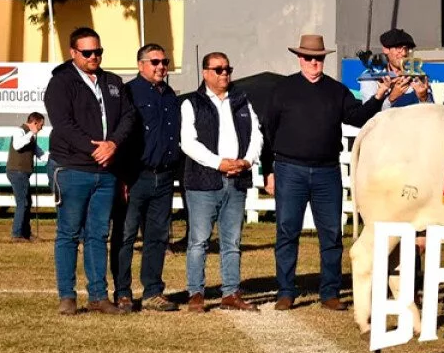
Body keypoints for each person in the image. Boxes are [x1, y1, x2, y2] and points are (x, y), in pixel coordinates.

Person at [263, 34, 393, 312]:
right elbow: (268, 130)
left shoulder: (337, 91)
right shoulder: (282, 89)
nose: (314, 63)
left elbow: (357, 117)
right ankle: (285, 291)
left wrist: (379, 95)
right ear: (300, 58)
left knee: (332, 233)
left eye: (319, 58)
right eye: (309, 58)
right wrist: (268, 170)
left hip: (327, 172)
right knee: (287, 231)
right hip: (289, 169)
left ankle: (330, 292)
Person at [44, 27, 135, 316]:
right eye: (87, 52)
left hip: (106, 171)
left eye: (98, 51)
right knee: (69, 233)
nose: (93, 56)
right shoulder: (61, 83)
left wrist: (113, 144)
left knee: (98, 234)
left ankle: (98, 295)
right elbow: (63, 124)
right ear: (73, 52)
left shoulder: (112, 82)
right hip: (72, 168)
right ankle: (67, 296)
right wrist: (94, 148)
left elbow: (128, 116)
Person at [180, 52, 263, 313]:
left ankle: (231, 292)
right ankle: (196, 293)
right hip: (203, 182)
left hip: (237, 180)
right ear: (205, 72)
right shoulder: (191, 103)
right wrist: (219, 163)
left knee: (232, 242)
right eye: (218, 69)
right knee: (198, 241)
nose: (224, 73)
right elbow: (188, 142)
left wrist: (247, 161)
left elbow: (256, 134)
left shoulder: (242, 101)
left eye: (227, 69)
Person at [109, 44, 180, 313]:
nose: (161, 66)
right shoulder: (127, 93)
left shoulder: (170, 95)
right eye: (155, 62)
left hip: (164, 176)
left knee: (157, 236)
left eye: (165, 61)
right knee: (125, 235)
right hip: (134, 176)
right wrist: (121, 177)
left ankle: (153, 291)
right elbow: (119, 136)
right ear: (140, 65)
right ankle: (123, 293)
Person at [359, 28, 432, 108]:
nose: (404, 53)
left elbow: (431, 111)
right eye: (398, 48)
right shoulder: (372, 76)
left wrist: (423, 98)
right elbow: (368, 113)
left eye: (407, 49)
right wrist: (391, 98)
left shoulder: (418, 77)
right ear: (386, 49)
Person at [6, 111, 46, 242]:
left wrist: (55, 159)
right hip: (17, 172)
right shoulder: (20, 131)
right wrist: (31, 133)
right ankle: (17, 234)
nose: (41, 128)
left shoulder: (30, 136)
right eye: (40, 125)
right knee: (23, 203)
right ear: (34, 123)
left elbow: (40, 153)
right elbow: (17, 145)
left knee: (27, 203)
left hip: (22, 173)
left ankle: (25, 233)